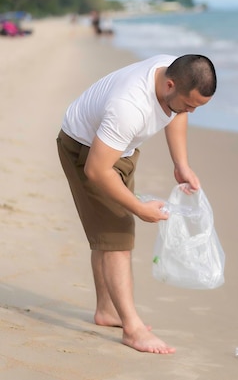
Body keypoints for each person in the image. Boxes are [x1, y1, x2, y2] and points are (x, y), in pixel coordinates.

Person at [56, 54, 217, 354]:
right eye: (191, 104)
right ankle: (132, 329)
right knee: (119, 235)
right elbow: (96, 170)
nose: (192, 112)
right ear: (169, 84)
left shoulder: (176, 75)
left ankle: (107, 310)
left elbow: (177, 113)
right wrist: (139, 208)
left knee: (107, 233)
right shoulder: (129, 107)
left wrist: (181, 164)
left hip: (117, 149)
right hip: (87, 151)